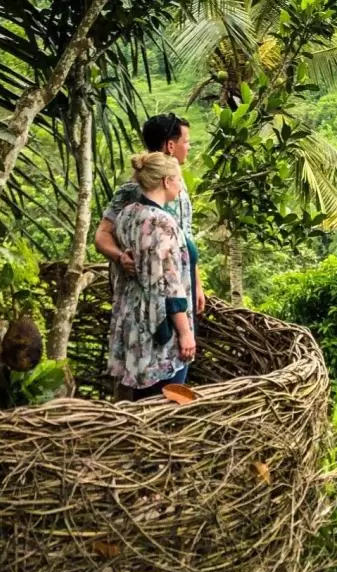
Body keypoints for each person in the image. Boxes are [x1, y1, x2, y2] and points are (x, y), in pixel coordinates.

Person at [95, 112, 205, 317]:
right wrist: (120, 257)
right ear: (171, 146)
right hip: (145, 296)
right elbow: (102, 235)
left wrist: (196, 283)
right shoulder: (132, 190)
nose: (189, 147)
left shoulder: (179, 188)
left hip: (180, 288)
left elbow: (185, 238)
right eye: (186, 141)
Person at [106, 152, 196, 400]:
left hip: (130, 316)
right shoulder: (162, 222)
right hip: (157, 324)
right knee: (165, 399)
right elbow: (168, 283)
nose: (180, 186)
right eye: (177, 179)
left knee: (136, 395)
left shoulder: (126, 215)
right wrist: (185, 331)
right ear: (166, 181)